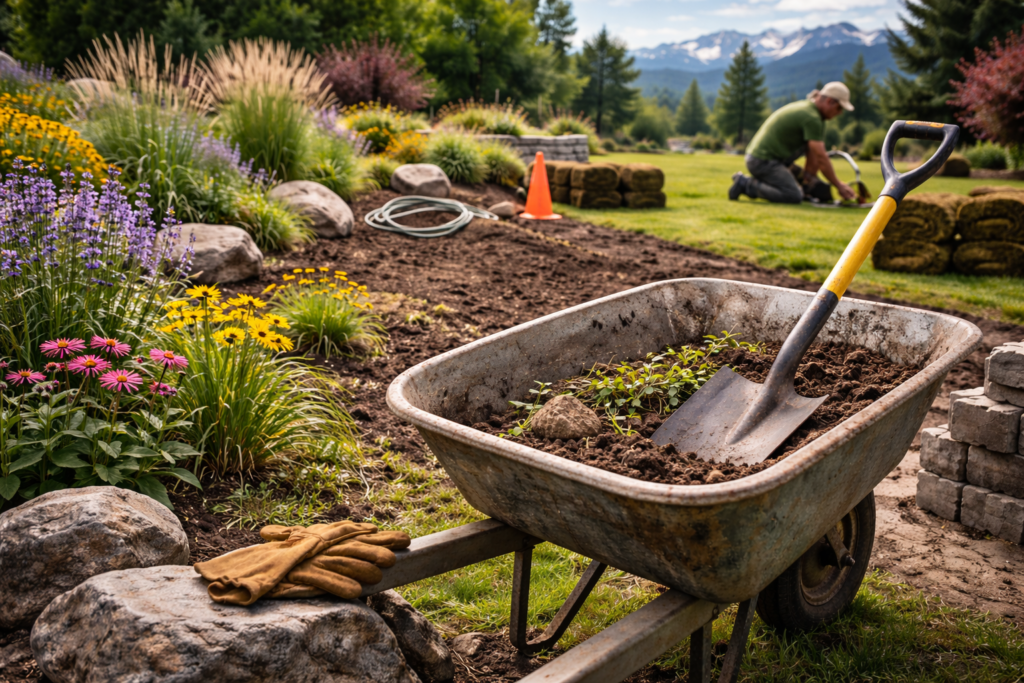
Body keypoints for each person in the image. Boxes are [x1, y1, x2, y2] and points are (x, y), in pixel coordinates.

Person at [730, 82, 856, 203]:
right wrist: (839, 185)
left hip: (773, 160)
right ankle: (745, 184)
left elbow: (813, 156)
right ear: (829, 101)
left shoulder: (813, 113)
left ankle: (796, 190)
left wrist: (808, 183)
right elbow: (821, 157)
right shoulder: (811, 118)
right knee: (793, 195)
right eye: (839, 108)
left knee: (815, 188)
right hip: (763, 161)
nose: (840, 113)